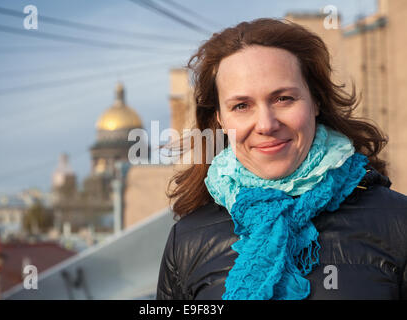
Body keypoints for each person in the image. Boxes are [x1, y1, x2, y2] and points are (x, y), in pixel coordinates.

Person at [156, 18, 407, 300]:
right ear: (220, 119)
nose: (266, 124)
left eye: (283, 99)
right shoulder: (187, 241)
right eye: (241, 106)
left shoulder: (398, 222)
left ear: (316, 101)